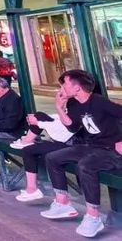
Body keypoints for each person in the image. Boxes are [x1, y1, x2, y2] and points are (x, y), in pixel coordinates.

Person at [16, 70, 122, 238]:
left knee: (86, 166)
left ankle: (93, 217)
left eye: (64, 84)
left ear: (77, 88)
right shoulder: (74, 104)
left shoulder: (99, 102)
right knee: (53, 158)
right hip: (91, 146)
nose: (61, 88)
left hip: (112, 151)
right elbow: (72, 127)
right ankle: (62, 203)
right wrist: (59, 107)